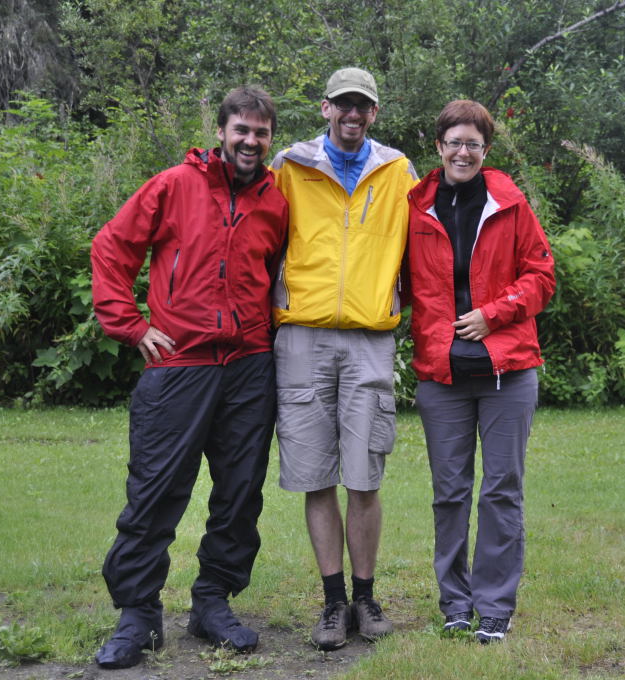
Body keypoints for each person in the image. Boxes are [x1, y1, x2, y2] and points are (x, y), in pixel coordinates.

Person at [89, 86, 288, 668]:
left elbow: (274, 274)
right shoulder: (175, 185)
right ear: (222, 132)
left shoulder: (275, 202)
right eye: (241, 131)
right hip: (178, 363)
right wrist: (130, 325)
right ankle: (138, 615)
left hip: (249, 366)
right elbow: (111, 248)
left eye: (261, 133)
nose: (250, 141)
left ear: (270, 139)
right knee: (154, 493)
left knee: (240, 494)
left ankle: (211, 603)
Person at [269, 67, 418, 651]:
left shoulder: (399, 171)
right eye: (344, 105)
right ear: (325, 108)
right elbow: (260, 238)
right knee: (315, 475)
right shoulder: (291, 167)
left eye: (365, 106)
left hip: (370, 337)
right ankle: (332, 602)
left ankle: (365, 596)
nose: (354, 114)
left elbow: (425, 247)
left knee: (364, 474)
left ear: (374, 114)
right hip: (301, 337)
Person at [406, 100, 555, 644]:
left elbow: (542, 276)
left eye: (473, 143)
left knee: (501, 491)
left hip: (507, 372)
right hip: (440, 375)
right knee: (449, 493)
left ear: (485, 151)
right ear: (439, 146)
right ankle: (455, 601)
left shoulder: (511, 205)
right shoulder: (414, 206)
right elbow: (394, 279)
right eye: (454, 142)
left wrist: (493, 314)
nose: (463, 151)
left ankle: (493, 606)